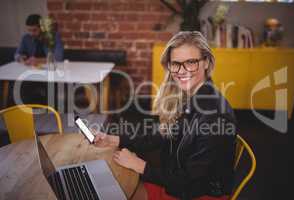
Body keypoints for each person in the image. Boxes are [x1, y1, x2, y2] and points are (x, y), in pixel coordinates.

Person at [93, 31, 237, 200]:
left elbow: (189, 181)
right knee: (112, 186)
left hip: (197, 194)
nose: (182, 71)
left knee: (117, 192)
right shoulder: (192, 97)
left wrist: (140, 166)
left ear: (206, 62)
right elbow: (161, 135)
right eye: (175, 64)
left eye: (191, 62)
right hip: (177, 181)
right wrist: (114, 140)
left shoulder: (214, 115)